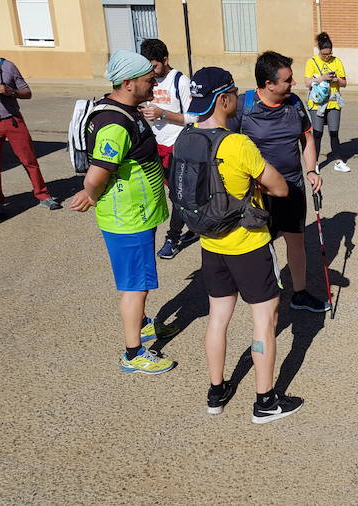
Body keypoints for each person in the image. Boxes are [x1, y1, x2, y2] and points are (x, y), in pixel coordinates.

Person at [182, 66, 302, 423]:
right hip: (248, 243)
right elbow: (279, 186)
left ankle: (216, 391)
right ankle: (265, 401)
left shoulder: (186, 138)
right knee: (264, 319)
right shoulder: (236, 144)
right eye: (234, 91)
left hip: (210, 241)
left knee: (218, 316)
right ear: (224, 99)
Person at [69, 50, 177, 374]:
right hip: (128, 219)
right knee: (135, 285)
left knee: (137, 280)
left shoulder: (124, 109)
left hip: (139, 213)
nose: (154, 84)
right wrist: (90, 194)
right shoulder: (114, 122)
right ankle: (134, 353)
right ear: (128, 83)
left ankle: (143, 325)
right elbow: (97, 173)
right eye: (149, 80)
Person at [230, 51, 328, 313]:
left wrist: (311, 170)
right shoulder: (243, 106)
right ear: (268, 84)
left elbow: (307, 140)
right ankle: (265, 297)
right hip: (259, 192)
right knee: (261, 244)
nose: (292, 84)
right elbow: (226, 145)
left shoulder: (295, 103)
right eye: (287, 80)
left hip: (293, 186)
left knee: (296, 240)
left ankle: (300, 293)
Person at [138, 38, 197, 259]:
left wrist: (163, 114)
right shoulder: (148, 81)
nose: (151, 72)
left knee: (177, 196)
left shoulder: (180, 81)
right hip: (155, 146)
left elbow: (195, 117)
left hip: (177, 147)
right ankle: (194, 224)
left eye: (154, 66)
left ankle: (173, 238)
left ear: (165, 59)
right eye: (147, 68)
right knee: (161, 194)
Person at [0, 56, 61, 215]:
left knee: (29, 160)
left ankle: (43, 195)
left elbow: (27, 92)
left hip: (12, 120)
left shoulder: (7, 66)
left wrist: (10, 91)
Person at [304, 32, 350, 173]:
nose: (327, 57)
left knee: (334, 133)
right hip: (317, 103)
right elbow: (307, 83)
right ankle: (315, 162)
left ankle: (338, 160)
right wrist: (321, 78)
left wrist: (336, 80)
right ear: (319, 51)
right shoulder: (312, 62)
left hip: (333, 102)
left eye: (329, 55)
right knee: (317, 133)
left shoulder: (337, 61)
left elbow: (344, 83)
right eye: (324, 55)